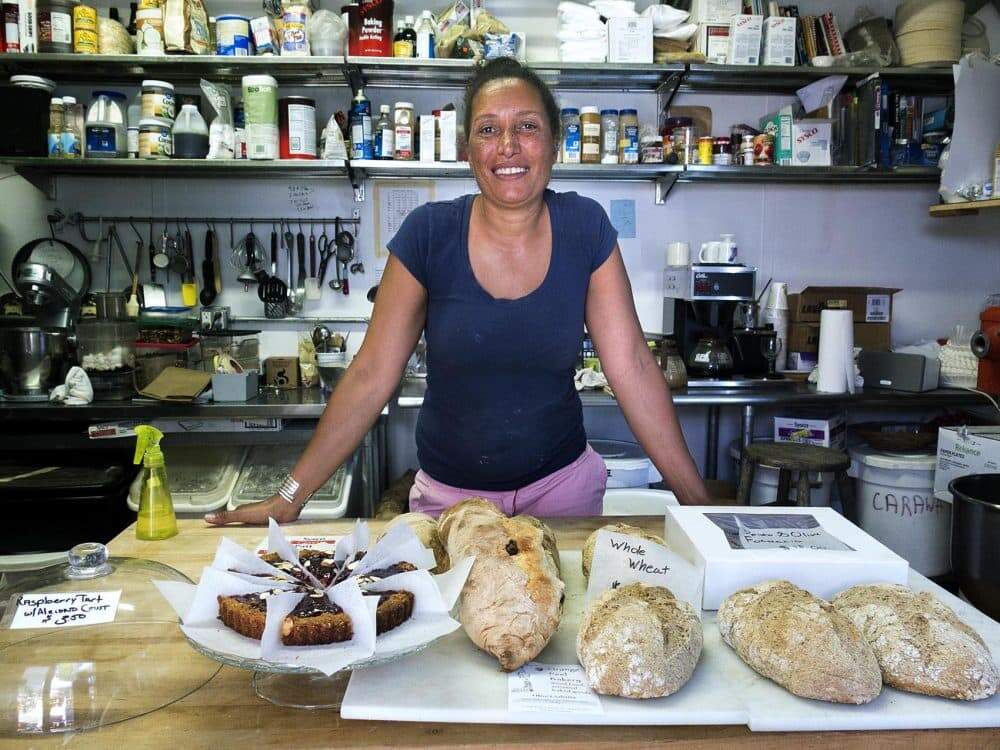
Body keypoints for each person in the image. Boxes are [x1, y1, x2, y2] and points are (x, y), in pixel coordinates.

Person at [205, 58, 710, 526]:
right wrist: (290, 497)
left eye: (527, 127)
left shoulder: (586, 227)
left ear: (554, 142)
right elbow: (369, 376)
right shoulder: (429, 234)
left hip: (562, 494)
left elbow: (633, 369)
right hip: (452, 506)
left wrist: (700, 507)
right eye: (489, 130)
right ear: (469, 151)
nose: (508, 145)